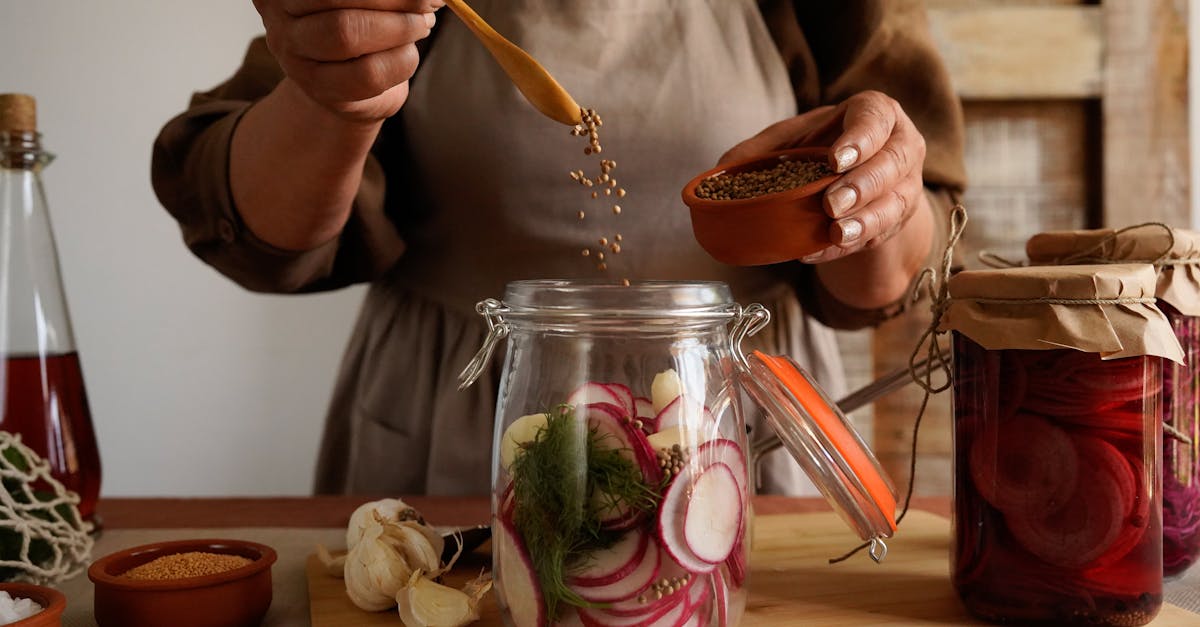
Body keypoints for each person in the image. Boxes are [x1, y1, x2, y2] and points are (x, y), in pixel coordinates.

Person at [151, 0, 966, 496]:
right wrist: (334, 92)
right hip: (464, 429)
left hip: (733, 426)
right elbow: (253, 226)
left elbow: (887, 281)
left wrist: (867, 195)